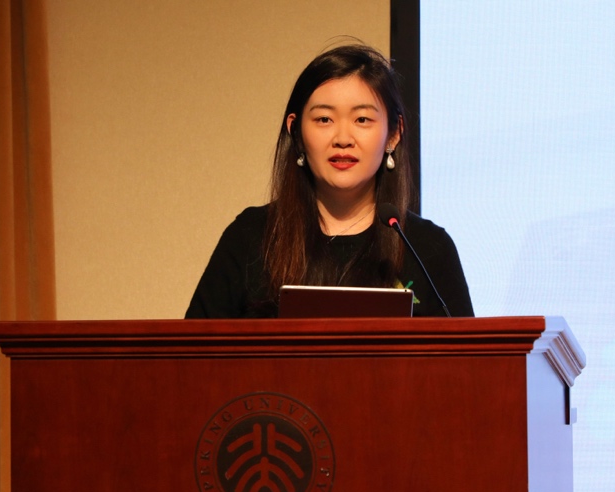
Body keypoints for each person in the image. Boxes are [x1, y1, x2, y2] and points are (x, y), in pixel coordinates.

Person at [185, 44, 473, 318]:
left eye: (362, 120)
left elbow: (466, 352)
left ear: (393, 134)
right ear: (296, 131)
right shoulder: (250, 237)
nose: (343, 139)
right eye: (324, 119)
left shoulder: (427, 248)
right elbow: (193, 349)